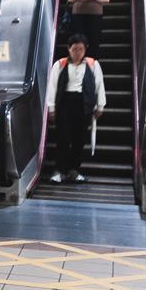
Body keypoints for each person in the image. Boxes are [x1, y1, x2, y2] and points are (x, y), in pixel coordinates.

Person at [46, 34, 106, 184]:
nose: (78, 52)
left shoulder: (93, 65)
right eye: (74, 49)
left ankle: (74, 170)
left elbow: (99, 85)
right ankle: (60, 171)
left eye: (81, 49)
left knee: (79, 140)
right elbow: (52, 87)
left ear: (85, 49)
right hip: (64, 104)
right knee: (63, 139)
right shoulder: (60, 64)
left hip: (84, 104)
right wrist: (51, 108)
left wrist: (100, 105)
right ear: (68, 49)